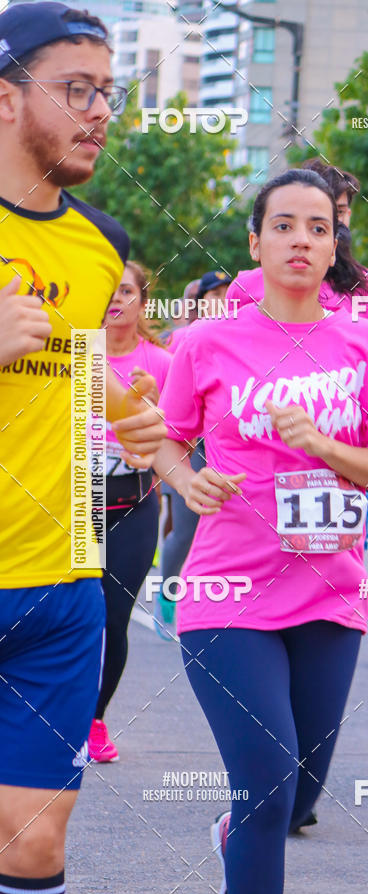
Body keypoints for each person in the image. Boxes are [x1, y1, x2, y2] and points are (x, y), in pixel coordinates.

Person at [154, 168, 368, 894]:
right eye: (284, 225)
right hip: (228, 589)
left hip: (330, 592)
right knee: (266, 785)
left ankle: (239, 832)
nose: (301, 238)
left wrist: (327, 448)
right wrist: (186, 478)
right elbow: (169, 440)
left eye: (319, 227)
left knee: (299, 789)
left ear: (335, 250)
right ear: (255, 243)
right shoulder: (207, 343)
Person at [0, 5, 165, 894]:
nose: (100, 111)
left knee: (33, 846)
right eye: (75, 90)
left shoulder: (104, 243)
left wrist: (141, 426)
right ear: (3, 98)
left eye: (107, 92)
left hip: (59, 586)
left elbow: (76, 367)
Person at [226, 160, 368, 664]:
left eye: (335, 216)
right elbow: (230, 359)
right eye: (287, 224)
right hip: (265, 458)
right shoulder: (248, 285)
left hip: (359, 453)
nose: (307, 235)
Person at [89, 262, 171, 761]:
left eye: (125, 291)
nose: (115, 299)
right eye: (108, 291)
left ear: (142, 301)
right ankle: (56, 712)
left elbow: (180, 435)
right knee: (73, 615)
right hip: (78, 503)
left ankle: (95, 720)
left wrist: (155, 407)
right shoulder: (75, 354)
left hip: (134, 502)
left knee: (114, 617)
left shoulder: (161, 361)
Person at [155, 270, 231, 639]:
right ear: (199, 302)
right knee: (184, 530)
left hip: (230, 451)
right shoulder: (183, 338)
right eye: (212, 294)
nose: (220, 300)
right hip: (190, 447)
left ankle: (215, 606)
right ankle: (167, 596)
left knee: (222, 529)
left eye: (226, 293)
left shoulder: (240, 337)